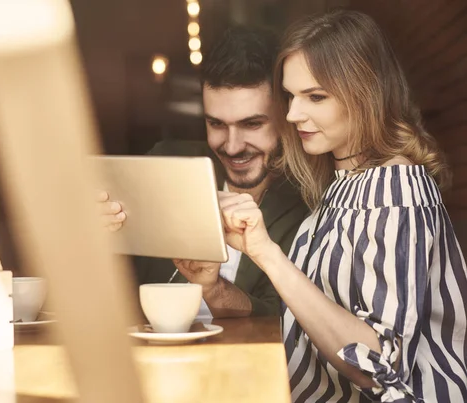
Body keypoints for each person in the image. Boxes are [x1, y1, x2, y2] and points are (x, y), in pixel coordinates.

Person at [219, 10, 467, 402]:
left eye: (316, 96)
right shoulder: (344, 185)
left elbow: (378, 366)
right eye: (291, 95)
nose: (292, 114)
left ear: (364, 92)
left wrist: (267, 253)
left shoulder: (395, 189)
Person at [99, 26, 309, 318]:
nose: (233, 147)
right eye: (217, 124)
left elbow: (290, 323)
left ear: (285, 117)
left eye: (252, 124)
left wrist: (214, 288)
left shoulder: (307, 201)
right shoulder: (166, 164)